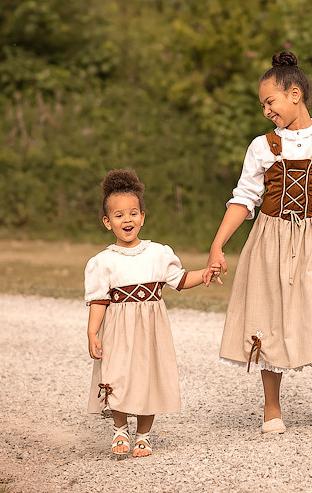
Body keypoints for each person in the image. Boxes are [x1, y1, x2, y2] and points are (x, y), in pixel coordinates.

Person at [206, 51, 312, 436]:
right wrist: (218, 245)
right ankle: (271, 410)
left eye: (270, 101)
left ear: (295, 94)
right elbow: (243, 198)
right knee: (267, 316)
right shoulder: (261, 146)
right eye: (263, 104)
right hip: (270, 236)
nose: (266, 110)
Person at [87, 168, 219, 458]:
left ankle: (144, 434)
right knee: (117, 375)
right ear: (107, 222)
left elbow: (180, 280)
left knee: (148, 377)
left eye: (133, 213)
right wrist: (92, 332)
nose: (127, 220)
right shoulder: (103, 262)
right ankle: (120, 428)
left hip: (151, 330)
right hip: (118, 330)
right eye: (119, 215)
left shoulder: (158, 253)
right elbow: (98, 301)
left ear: (142, 217)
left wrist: (206, 273)